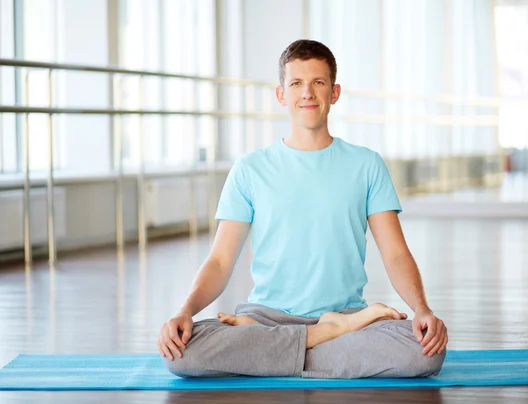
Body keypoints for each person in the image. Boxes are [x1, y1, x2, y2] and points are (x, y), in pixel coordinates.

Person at [157, 39, 448, 379]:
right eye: (296, 83)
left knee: (424, 354)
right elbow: (220, 261)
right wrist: (185, 311)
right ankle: (324, 336)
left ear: (334, 93)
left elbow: (396, 254)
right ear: (281, 94)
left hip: (345, 314)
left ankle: (289, 350)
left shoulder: (367, 165)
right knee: (180, 354)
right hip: (267, 317)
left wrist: (422, 310)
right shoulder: (250, 169)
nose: (307, 93)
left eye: (318, 83)